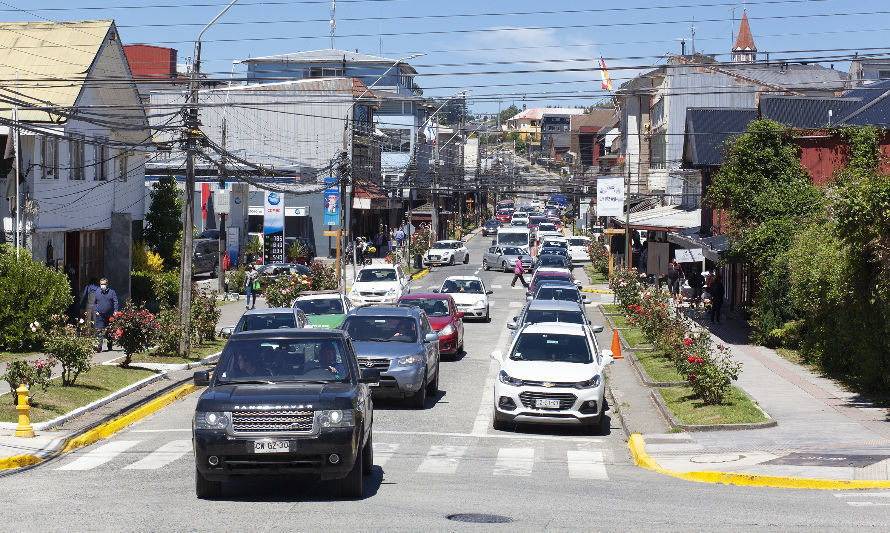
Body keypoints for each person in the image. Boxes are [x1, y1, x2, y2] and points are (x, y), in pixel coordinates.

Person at [93, 277, 119, 352]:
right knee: (99, 331)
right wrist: (95, 311)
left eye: (104, 284)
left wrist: (115, 311)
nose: (102, 286)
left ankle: (109, 346)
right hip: (100, 315)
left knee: (109, 332)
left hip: (109, 315)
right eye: (101, 284)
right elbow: (94, 303)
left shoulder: (112, 292)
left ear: (107, 284)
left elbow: (115, 302)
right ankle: (99, 346)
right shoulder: (97, 292)